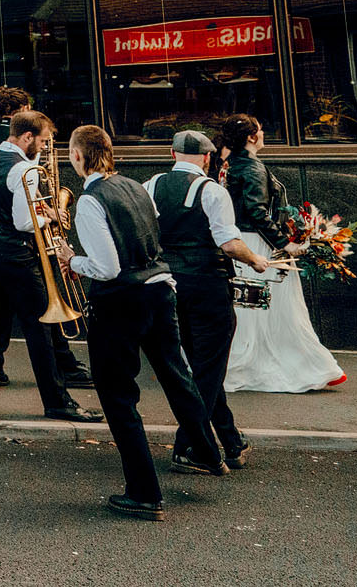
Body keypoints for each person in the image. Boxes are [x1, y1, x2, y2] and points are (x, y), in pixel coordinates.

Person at [64, 124, 226, 519]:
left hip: (121, 302)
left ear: (79, 157)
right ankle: (208, 453)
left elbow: (105, 266)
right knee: (178, 377)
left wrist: (71, 260)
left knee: (119, 398)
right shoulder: (137, 186)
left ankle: (144, 494)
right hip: (159, 288)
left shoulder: (90, 200)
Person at [0, 110, 101, 422]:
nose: (45, 148)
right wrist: (51, 215)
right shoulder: (25, 170)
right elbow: (23, 222)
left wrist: (4, 213)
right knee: (41, 327)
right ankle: (57, 401)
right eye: (44, 141)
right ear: (27, 137)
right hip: (16, 254)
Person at [147, 128, 277, 471]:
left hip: (167, 284)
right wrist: (257, 260)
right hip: (207, 284)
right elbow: (229, 243)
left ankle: (232, 441)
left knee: (202, 366)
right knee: (209, 367)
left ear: (172, 155)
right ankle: (187, 445)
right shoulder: (213, 191)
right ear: (207, 158)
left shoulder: (151, 185)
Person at [220, 114, 345, 392]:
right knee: (275, 305)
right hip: (257, 242)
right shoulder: (252, 168)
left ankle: (239, 362)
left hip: (239, 240)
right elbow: (257, 212)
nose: (263, 134)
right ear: (252, 137)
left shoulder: (229, 165)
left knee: (249, 307)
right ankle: (294, 364)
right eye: (261, 130)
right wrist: (284, 243)